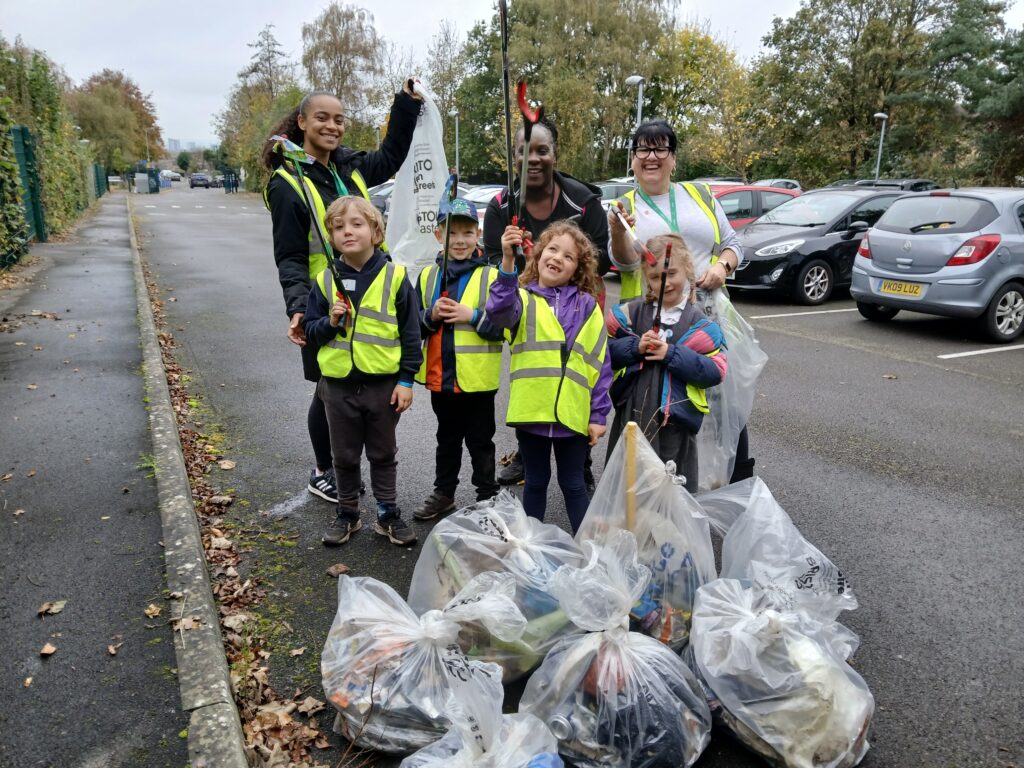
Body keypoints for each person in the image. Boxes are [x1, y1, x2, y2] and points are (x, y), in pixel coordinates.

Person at [263, 83, 422, 513]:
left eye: (339, 119)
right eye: (322, 118)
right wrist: (299, 309)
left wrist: (405, 106)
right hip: (325, 302)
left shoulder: (347, 167)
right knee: (328, 389)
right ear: (301, 123)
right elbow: (291, 256)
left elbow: (390, 158)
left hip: (368, 291)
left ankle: (339, 469)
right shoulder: (287, 184)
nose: (332, 126)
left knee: (350, 387)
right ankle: (324, 471)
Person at [608, 119, 755, 483]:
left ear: (674, 158)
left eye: (661, 148)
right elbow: (625, 262)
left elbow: (733, 243)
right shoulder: (623, 207)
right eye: (643, 149)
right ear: (632, 158)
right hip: (651, 321)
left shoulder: (700, 195)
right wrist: (616, 228)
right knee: (661, 405)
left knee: (722, 403)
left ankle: (731, 482)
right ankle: (653, 488)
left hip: (704, 315)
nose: (652, 156)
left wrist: (723, 267)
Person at [483, 115, 610, 489]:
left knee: (577, 375)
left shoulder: (583, 202)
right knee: (537, 376)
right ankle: (530, 450)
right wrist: (511, 260)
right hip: (528, 304)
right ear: (514, 157)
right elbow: (494, 265)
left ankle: (579, 455)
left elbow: (599, 262)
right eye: (525, 152)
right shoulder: (501, 206)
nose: (534, 159)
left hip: (579, 303)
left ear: (555, 155)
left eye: (543, 151)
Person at [303, 196, 422, 546]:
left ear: (376, 231)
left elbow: (411, 333)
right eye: (338, 227)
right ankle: (348, 512)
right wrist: (329, 322)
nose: (347, 232)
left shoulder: (395, 277)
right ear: (331, 237)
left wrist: (406, 380)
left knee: (383, 453)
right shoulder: (326, 281)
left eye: (356, 224)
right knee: (343, 455)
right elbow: (311, 332)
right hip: (337, 389)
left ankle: (387, 512)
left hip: (382, 387)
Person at [486, 220, 611, 534]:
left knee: (574, 485)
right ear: (538, 256)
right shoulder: (521, 299)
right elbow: (497, 311)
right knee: (535, 483)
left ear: (577, 269)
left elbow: (599, 363)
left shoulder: (586, 306)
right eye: (552, 249)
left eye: (568, 257)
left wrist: (598, 415)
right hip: (533, 414)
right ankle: (531, 548)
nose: (557, 258)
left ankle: (589, 549)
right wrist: (507, 262)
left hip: (574, 416)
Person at [606, 233, 728, 492]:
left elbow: (714, 371)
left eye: (671, 274)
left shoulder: (701, 325)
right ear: (645, 278)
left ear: (688, 270)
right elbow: (605, 355)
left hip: (675, 427)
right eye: (655, 277)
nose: (664, 284)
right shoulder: (632, 315)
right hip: (632, 420)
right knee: (630, 487)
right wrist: (635, 347)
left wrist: (671, 354)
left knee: (670, 489)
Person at [412, 196, 505, 520]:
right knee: (446, 439)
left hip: (477, 380)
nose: (460, 240)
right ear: (439, 235)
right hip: (441, 378)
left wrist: (472, 314)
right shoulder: (426, 278)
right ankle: (444, 493)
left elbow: (503, 328)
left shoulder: (492, 278)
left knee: (481, 441)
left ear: (477, 234)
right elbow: (413, 327)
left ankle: (487, 497)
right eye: (452, 233)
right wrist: (430, 315)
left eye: (467, 232)